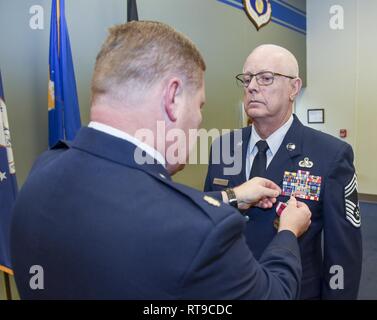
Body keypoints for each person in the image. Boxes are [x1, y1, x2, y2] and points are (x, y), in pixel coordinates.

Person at [10, 22, 311, 300]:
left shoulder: (42, 171)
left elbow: (154, 208)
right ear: (173, 98)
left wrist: (233, 196)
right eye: (200, 105)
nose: (198, 121)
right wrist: (288, 232)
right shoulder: (204, 231)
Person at [204, 44, 362, 300]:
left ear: (294, 88)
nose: (252, 87)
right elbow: (208, 219)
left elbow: (343, 253)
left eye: (266, 78)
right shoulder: (223, 146)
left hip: (294, 291)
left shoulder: (331, 154)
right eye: (247, 79)